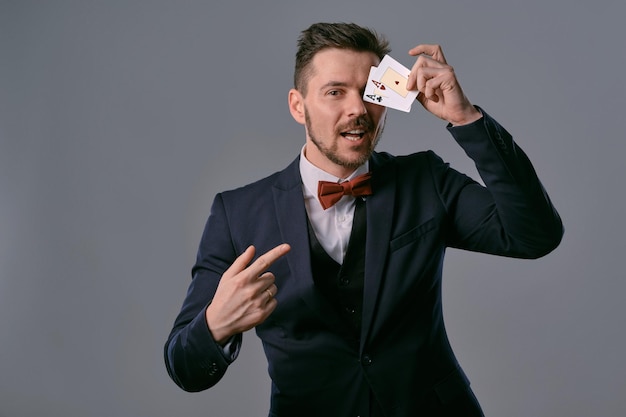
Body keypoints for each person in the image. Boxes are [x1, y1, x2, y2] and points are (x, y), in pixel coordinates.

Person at [164, 22, 563, 416]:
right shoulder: (237, 213)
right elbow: (184, 367)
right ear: (297, 105)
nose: (357, 109)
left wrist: (465, 118)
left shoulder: (425, 179)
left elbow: (535, 235)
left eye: (369, 92)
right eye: (335, 92)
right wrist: (215, 325)